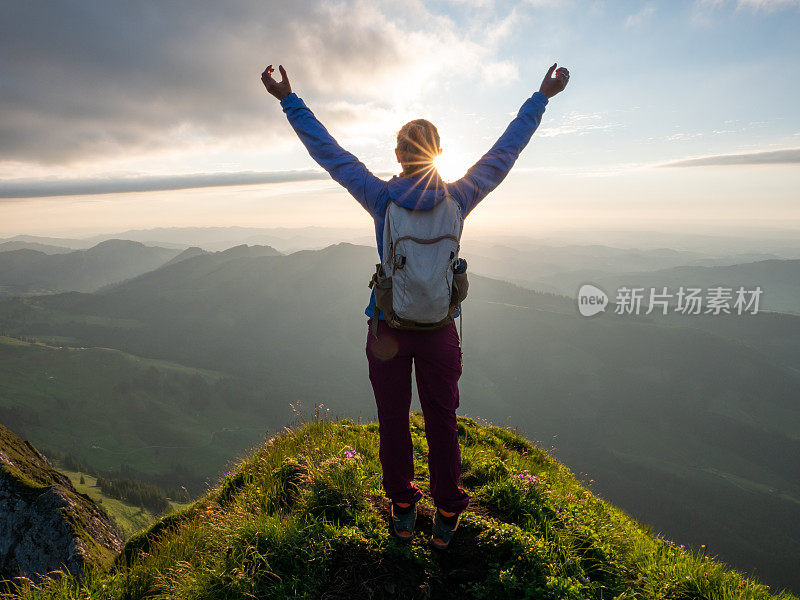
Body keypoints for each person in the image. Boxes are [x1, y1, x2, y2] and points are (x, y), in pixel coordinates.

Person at [261, 63, 570, 550]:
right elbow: (504, 152)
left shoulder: (382, 198)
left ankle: (403, 512)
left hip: (388, 328)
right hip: (441, 331)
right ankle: (447, 515)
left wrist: (288, 99)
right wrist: (542, 97)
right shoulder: (461, 196)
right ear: (438, 153)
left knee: (393, 419)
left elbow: (331, 155)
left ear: (400, 156)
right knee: (442, 420)